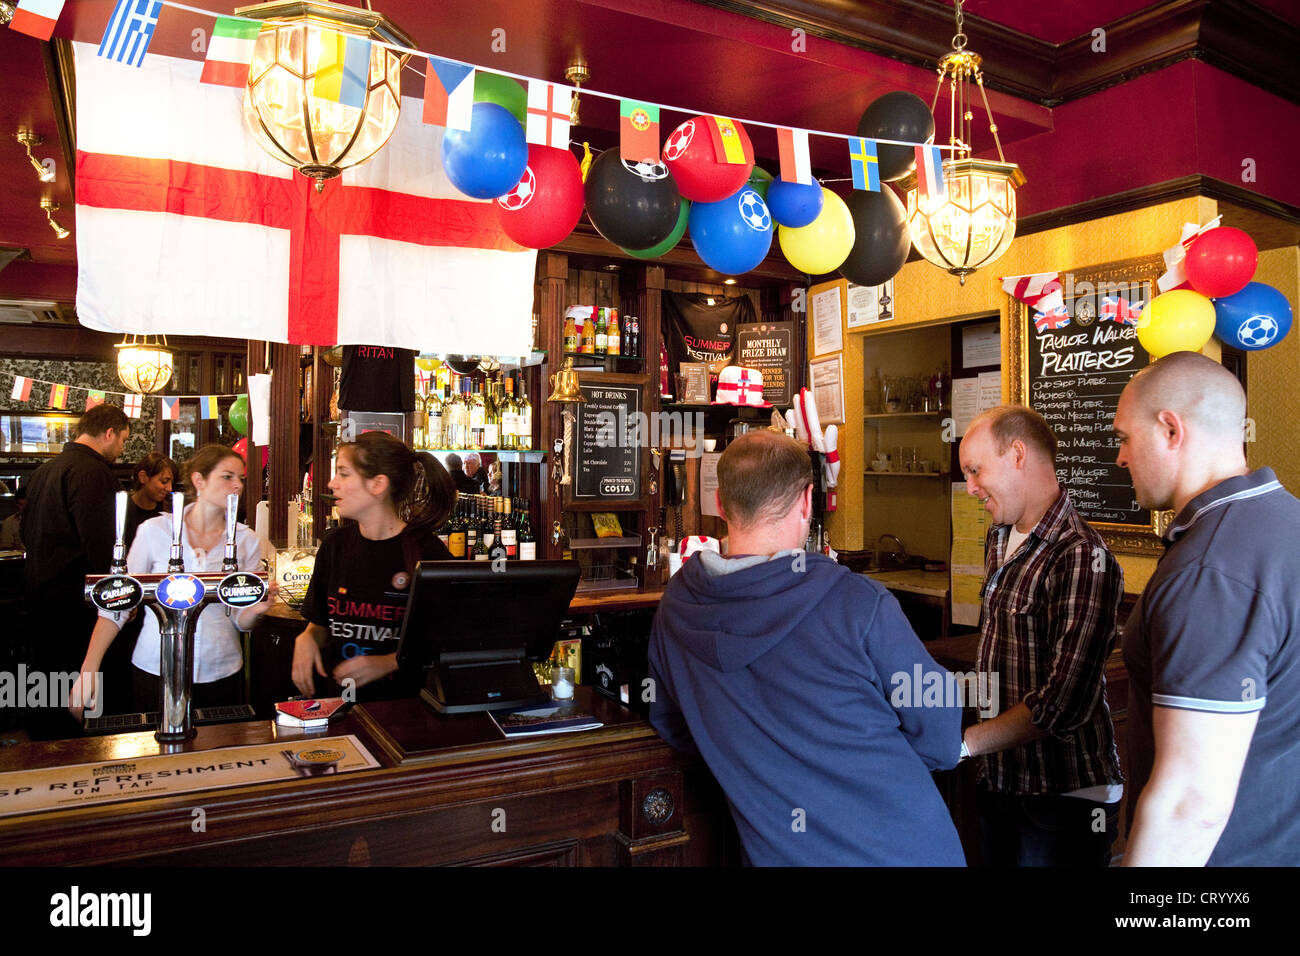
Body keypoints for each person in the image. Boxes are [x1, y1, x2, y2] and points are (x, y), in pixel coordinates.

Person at [648, 430, 965, 866]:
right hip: (903, 847)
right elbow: (943, 738)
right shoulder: (858, 603)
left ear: (720, 505)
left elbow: (674, 725)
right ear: (806, 500)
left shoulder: (676, 609)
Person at [1114, 351, 1300, 866]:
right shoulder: (1287, 521)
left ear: (1170, 430)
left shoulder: (1209, 571)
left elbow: (1190, 805)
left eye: (1124, 438)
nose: (1120, 459)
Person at [958, 405, 1125, 867]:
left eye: (975, 470)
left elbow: (1063, 704)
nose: (970, 488)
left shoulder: (1082, 555)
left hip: (1062, 799)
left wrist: (963, 744)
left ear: (1016, 454)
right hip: (1000, 782)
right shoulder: (999, 536)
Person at [68, 444, 275, 718]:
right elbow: (117, 602)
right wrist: (89, 669)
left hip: (220, 670)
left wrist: (256, 610)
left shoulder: (245, 539)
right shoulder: (155, 531)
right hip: (155, 668)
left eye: (241, 478)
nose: (238, 485)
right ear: (199, 480)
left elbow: (239, 619)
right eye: (228, 476)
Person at [292, 431, 456, 701]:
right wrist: (308, 638)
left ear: (378, 484)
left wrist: (389, 662)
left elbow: (447, 641)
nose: (332, 483)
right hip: (339, 707)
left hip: (405, 713)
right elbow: (321, 622)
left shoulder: (427, 553)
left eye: (344, 473)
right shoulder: (334, 546)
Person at [22, 404, 129, 738]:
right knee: (78, 689)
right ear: (109, 433)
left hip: (38, 592)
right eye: (123, 440)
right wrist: (117, 595)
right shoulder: (93, 472)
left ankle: (45, 753)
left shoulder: (46, 469)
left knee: (47, 682)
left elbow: (26, 530)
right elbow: (101, 545)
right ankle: (79, 754)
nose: (122, 449)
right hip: (75, 601)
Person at [123, 451, 177, 549]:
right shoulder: (122, 511)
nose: (169, 489)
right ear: (143, 477)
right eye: (164, 481)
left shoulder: (167, 513)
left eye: (171, 483)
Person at [0, 487, 25, 551]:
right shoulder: (9, 522)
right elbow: (6, 548)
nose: (24, 508)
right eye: (21, 505)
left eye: (26, 505)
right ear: (16, 504)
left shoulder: (41, 521)